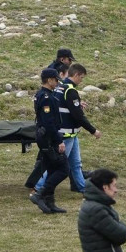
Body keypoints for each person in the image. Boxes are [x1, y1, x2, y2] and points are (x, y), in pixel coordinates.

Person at [35, 63, 101, 194]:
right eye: (81, 78)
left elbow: (60, 104)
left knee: (76, 164)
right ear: (75, 75)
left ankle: (82, 187)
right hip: (66, 134)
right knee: (57, 164)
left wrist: (75, 105)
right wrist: (93, 130)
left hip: (70, 134)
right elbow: (78, 116)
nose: (81, 81)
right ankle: (39, 186)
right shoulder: (70, 90)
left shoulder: (59, 87)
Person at [29, 68, 69, 214]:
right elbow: (49, 123)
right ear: (49, 80)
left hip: (46, 137)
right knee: (64, 169)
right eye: (56, 80)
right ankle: (40, 194)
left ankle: (49, 202)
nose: (57, 82)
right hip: (49, 138)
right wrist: (59, 141)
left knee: (53, 169)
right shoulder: (46, 97)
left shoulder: (44, 95)